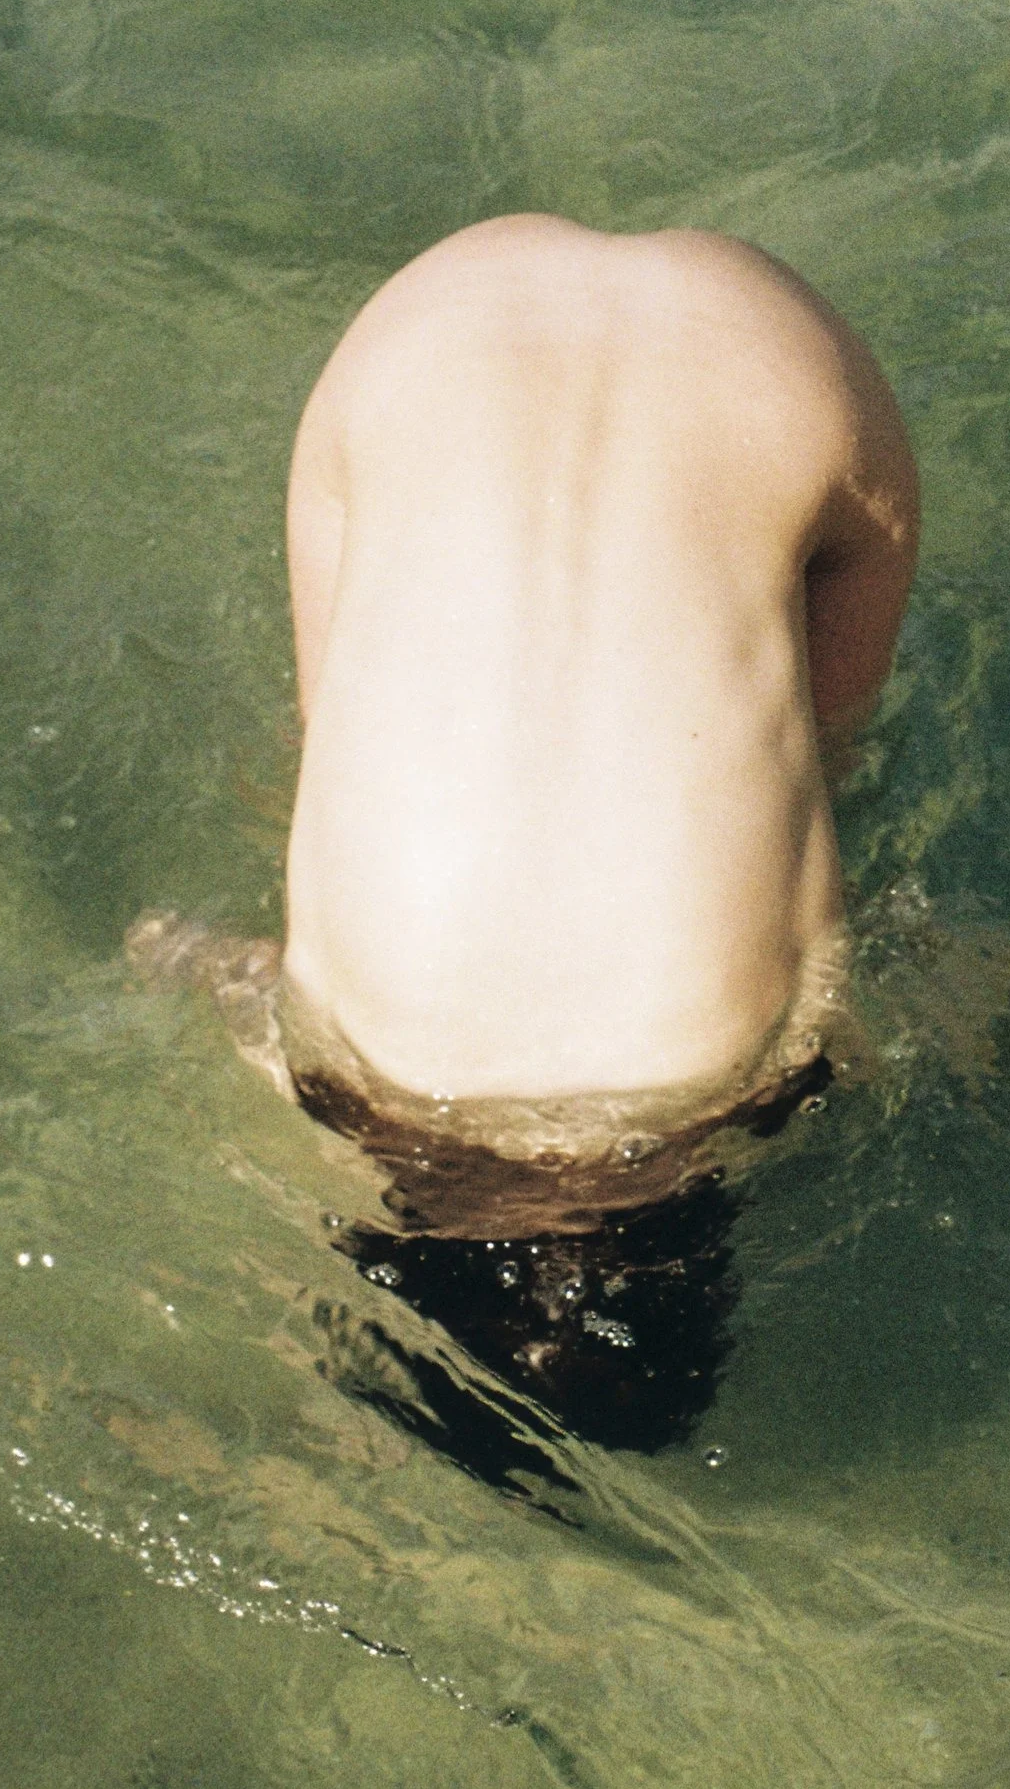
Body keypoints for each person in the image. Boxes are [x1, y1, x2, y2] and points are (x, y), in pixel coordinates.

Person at [133, 214, 919, 1474]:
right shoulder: (332, 1083)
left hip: (768, 368)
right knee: (319, 748)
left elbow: (916, 964)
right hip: (414, 351)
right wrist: (168, 954)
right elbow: (198, 963)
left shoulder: (771, 1079)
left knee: (836, 772)